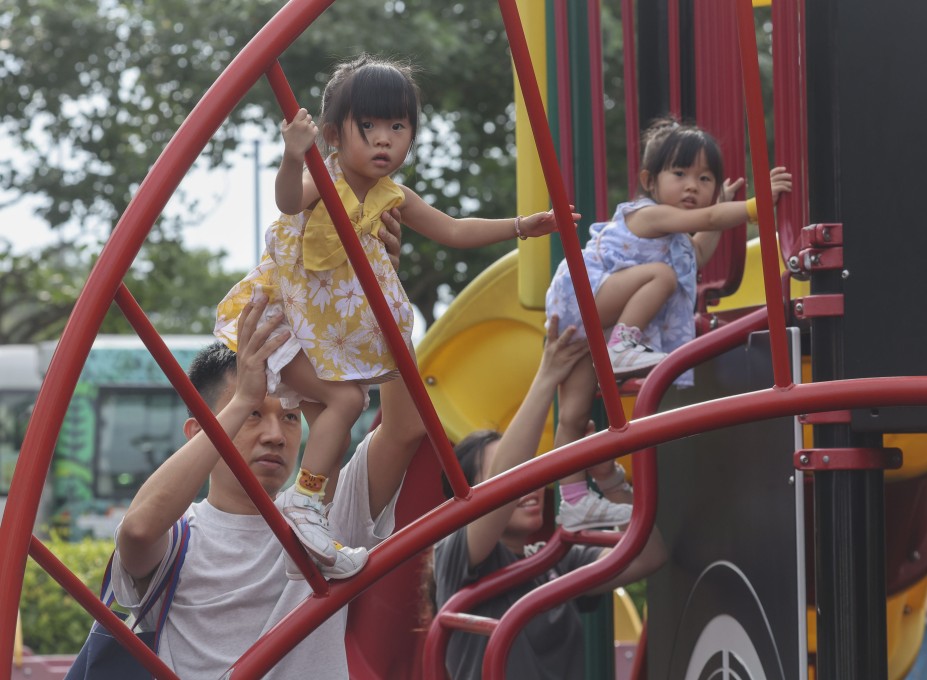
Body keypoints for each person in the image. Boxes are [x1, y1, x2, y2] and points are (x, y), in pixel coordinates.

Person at [214, 53, 577, 579]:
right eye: (369, 126)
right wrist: (295, 155)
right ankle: (306, 504)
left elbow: (453, 229)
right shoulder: (325, 177)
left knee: (336, 416)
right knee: (346, 399)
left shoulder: (392, 197)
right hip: (286, 324)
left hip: (327, 333)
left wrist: (522, 225)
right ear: (336, 134)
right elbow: (288, 201)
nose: (384, 139)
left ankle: (318, 524)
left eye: (398, 126)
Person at [110, 218, 427, 678]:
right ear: (200, 431)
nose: (277, 434)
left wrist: (381, 296)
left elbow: (405, 428)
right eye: (255, 415)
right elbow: (138, 531)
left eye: (292, 416)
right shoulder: (180, 538)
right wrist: (243, 397)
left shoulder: (326, 514)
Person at [544, 118, 793, 532]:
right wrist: (753, 205)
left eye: (705, 177)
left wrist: (721, 208)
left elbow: (697, 251)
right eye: (679, 174)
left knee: (572, 413)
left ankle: (572, 501)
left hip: (587, 324)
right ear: (650, 180)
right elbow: (712, 221)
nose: (692, 186)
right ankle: (623, 345)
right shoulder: (647, 216)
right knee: (661, 275)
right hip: (586, 295)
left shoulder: (676, 239)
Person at [433, 316, 668, 680]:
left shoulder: (554, 559)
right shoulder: (456, 556)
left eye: (532, 470)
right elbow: (501, 490)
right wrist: (547, 376)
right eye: (513, 472)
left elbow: (648, 554)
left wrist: (608, 478)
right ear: (468, 495)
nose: (529, 486)